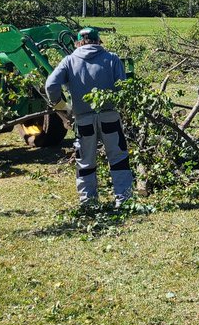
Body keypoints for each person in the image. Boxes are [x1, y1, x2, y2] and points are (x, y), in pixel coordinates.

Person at [44, 27, 133, 211]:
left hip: (83, 119)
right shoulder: (112, 59)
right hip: (110, 116)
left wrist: (63, 108)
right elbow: (124, 88)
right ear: (98, 40)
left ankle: (89, 202)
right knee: (118, 157)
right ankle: (124, 199)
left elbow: (50, 85)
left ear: (78, 43)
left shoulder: (69, 61)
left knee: (85, 161)